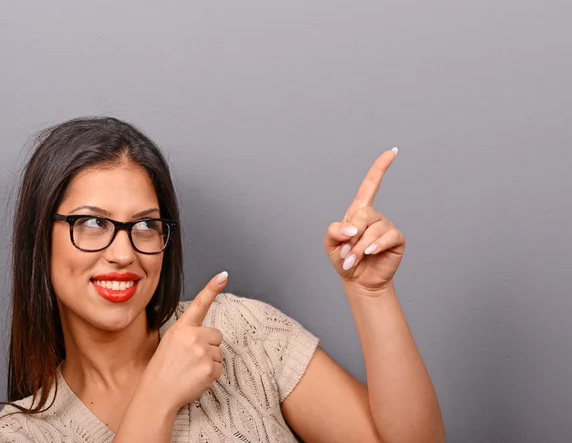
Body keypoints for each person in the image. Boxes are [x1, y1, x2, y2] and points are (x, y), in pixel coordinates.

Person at [0, 116, 444, 443]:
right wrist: (156, 398)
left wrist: (372, 291)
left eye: (145, 225)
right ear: (40, 239)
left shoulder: (239, 331)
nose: (124, 253)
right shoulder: (21, 432)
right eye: (92, 223)